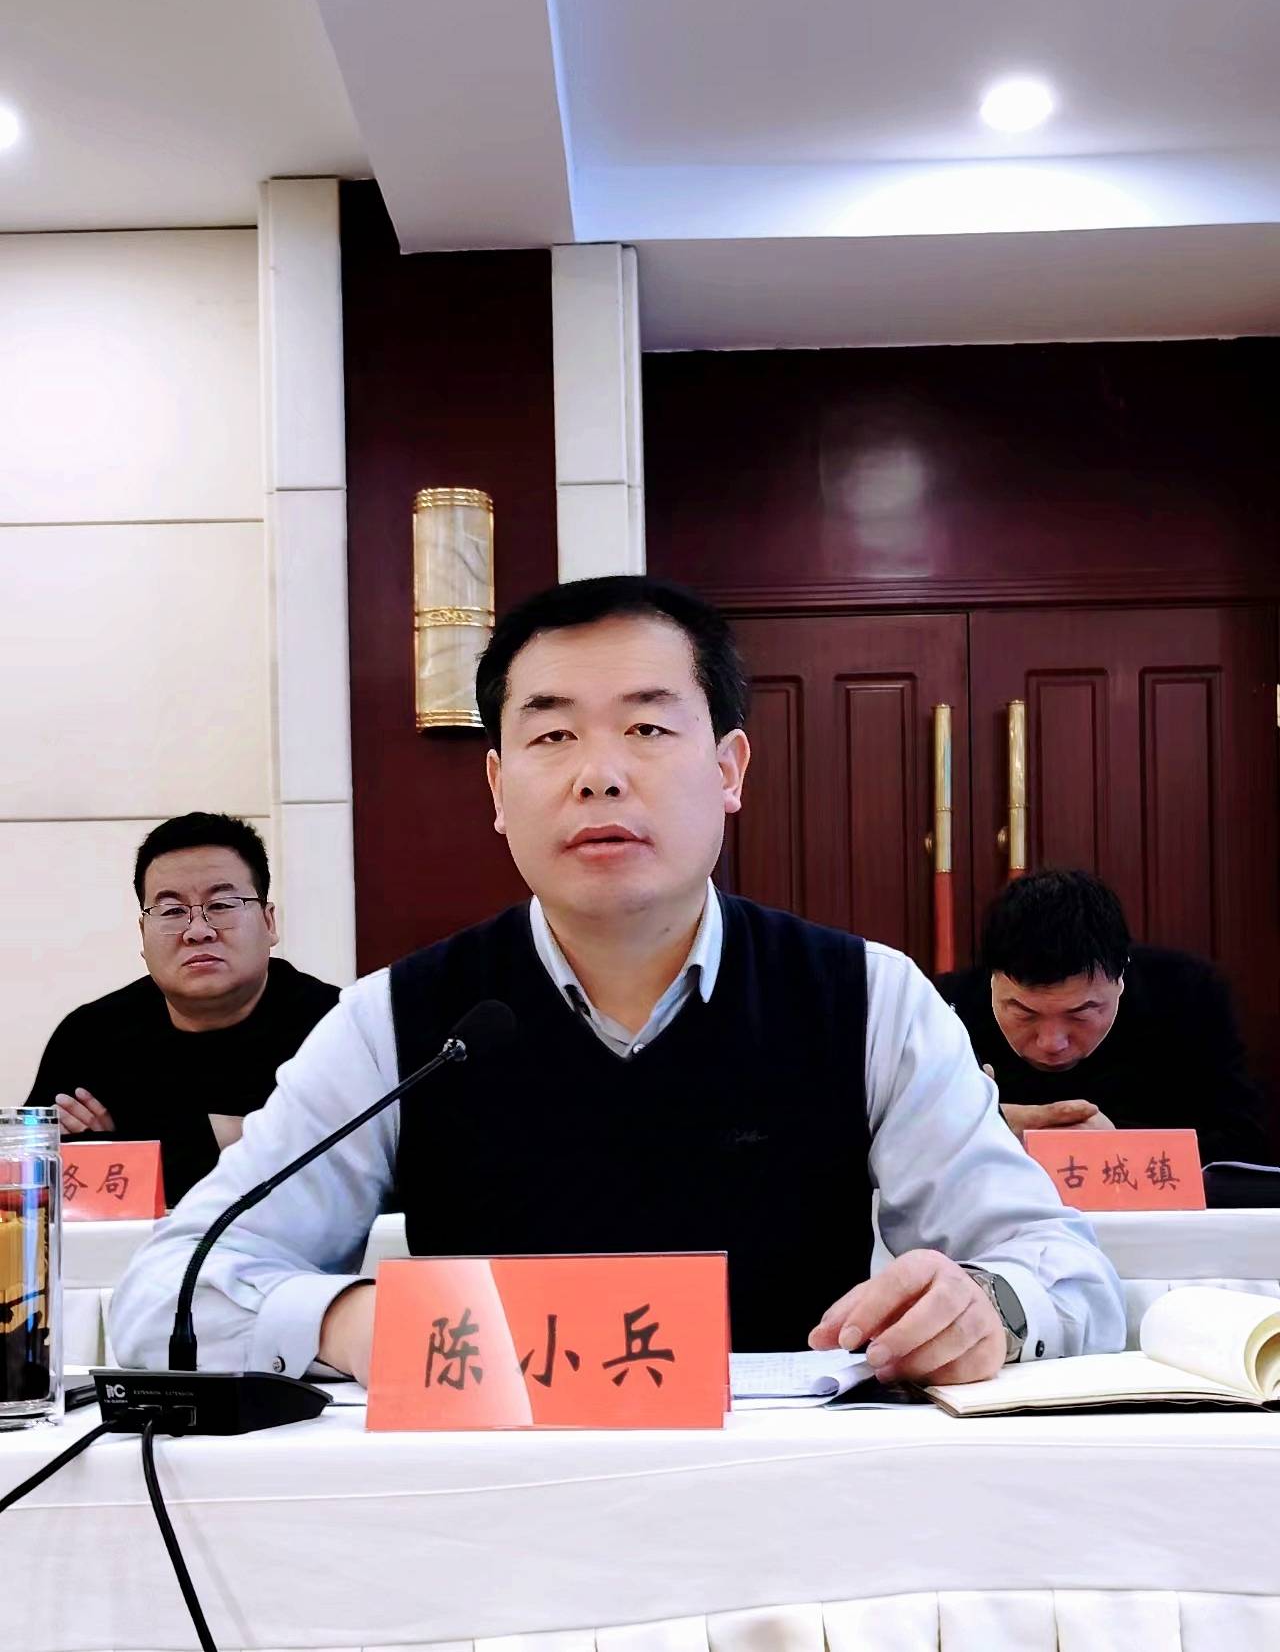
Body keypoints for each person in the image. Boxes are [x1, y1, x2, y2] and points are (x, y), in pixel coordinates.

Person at [111, 579, 1123, 1385]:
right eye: (552, 734)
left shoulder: (869, 1000)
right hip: (489, 1508)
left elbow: (1071, 1278)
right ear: (498, 788)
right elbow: (164, 1294)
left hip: (790, 1509)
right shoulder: (396, 1021)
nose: (598, 773)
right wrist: (347, 1318)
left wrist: (983, 1311)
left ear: (728, 769)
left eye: (646, 728)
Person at [27, 813, 339, 1203]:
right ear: (143, 933)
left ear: (268, 921)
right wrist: (229, 1136)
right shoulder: (90, 1036)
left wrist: (127, 1146)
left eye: (221, 905)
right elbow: (34, 1176)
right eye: (173, 911)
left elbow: (346, 1168)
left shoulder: (336, 1028)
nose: (198, 931)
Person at [936, 869, 1268, 1164]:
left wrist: (1120, 1145)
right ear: (993, 980)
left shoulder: (1187, 995)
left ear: (1121, 976)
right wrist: (979, 1128)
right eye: (1024, 1013)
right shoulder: (943, 1009)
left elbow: (1245, 1149)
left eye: (1081, 1013)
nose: (1052, 1043)